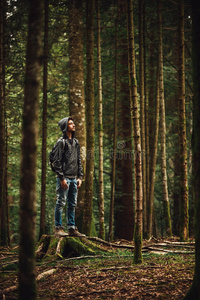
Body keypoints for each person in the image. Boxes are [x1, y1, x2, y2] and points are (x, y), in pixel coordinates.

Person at [53, 116, 85, 237]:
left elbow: (78, 161)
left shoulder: (76, 142)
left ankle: (71, 228)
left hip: (74, 178)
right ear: (65, 127)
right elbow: (57, 162)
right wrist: (61, 179)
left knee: (72, 204)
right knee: (61, 202)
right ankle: (58, 228)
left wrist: (80, 177)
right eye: (71, 124)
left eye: (73, 123)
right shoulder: (61, 142)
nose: (73, 125)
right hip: (64, 178)